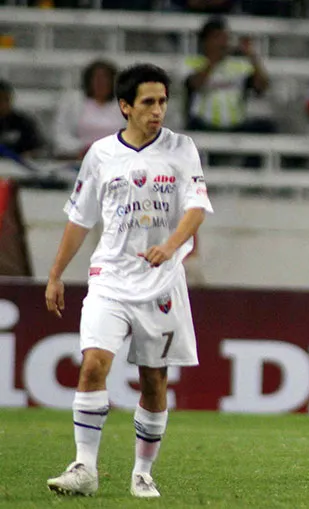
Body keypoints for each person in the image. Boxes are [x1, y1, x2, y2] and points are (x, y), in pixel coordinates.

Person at [44, 63, 213, 498]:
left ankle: (142, 472)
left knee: (153, 379)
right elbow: (80, 219)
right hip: (110, 277)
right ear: (125, 106)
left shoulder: (181, 148)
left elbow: (196, 208)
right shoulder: (101, 154)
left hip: (161, 281)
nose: (158, 110)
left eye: (162, 101)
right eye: (148, 102)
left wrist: (170, 246)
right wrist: (56, 273)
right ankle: (84, 467)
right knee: (93, 364)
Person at [183, 16, 273, 133]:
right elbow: (195, 85)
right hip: (203, 124)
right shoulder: (193, 62)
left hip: (237, 126)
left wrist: (252, 57)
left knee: (268, 126)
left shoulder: (239, 65)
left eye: (225, 38)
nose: (222, 42)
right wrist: (215, 60)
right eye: (217, 38)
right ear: (205, 40)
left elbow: (262, 87)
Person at [54, 60, 126, 160]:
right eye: (97, 79)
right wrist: (83, 148)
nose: (101, 83)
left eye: (106, 79)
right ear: (89, 81)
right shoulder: (73, 102)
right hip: (79, 158)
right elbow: (61, 135)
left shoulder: (124, 105)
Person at [0, 81, 44, 158]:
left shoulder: (23, 123)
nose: (3, 104)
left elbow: (39, 148)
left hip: (18, 163)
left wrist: (31, 154)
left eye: (6, 99)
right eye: (1, 99)